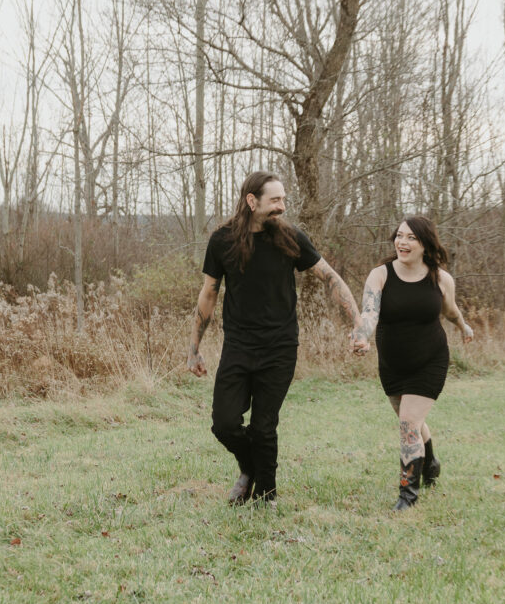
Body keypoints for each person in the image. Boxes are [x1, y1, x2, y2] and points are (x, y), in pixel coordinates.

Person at [188, 171, 364, 506]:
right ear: (251, 201)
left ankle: (266, 495)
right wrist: (194, 348)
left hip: (280, 347)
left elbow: (330, 277)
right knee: (224, 423)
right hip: (238, 346)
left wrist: (357, 322)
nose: (282, 207)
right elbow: (209, 293)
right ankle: (249, 469)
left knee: (264, 426)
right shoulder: (222, 240)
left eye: (284, 199)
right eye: (275, 200)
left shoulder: (290, 237)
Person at [352, 215, 474, 510]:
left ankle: (408, 496)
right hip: (393, 364)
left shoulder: (441, 279)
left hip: (429, 360)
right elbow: (369, 312)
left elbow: (450, 310)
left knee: (408, 423)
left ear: (425, 244)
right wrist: (361, 336)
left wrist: (463, 326)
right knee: (411, 421)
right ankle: (430, 462)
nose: (402, 242)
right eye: (399, 236)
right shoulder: (380, 275)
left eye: (411, 238)